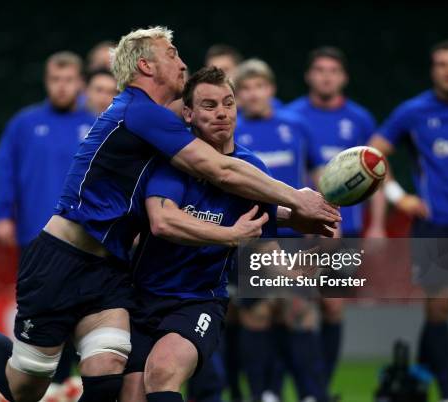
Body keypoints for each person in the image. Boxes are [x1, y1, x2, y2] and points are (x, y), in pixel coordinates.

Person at [0, 27, 339, 402]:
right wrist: (298, 197)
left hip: (112, 271)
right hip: (61, 260)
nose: (183, 61)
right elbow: (218, 170)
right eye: (172, 53)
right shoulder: (137, 111)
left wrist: (283, 215)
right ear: (145, 65)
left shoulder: (160, 121)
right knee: (25, 388)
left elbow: (212, 195)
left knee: (106, 379)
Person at [120, 66, 335, 402]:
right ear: (188, 114)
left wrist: (293, 274)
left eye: (228, 103)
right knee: (131, 394)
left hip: (199, 300)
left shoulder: (253, 171)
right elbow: (164, 222)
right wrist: (231, 234)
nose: (221, 113)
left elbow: (263, 243)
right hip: (142, 296)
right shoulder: (172, 161)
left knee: (162, 372)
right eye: (209, 105)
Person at [369, 40, 448, 402]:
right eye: (441, 64)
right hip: (435, 223)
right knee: (439, 307)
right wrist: (397, 196)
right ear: (433, 70)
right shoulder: (413, 111)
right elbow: (372, 154)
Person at [0, 51, 109, 384]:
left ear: (80, 83)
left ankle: (68, 385)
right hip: (36, 236)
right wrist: (1, 214)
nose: (62, 86)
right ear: (47, 82)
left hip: (86, 239)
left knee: (80, 313)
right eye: (55, 79)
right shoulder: (24, 123)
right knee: (41, 315)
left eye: (68, 79)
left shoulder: (97, 123)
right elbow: (4, 171)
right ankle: (39, 383)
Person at [287, 46, 385, 398]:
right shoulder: (292, 116)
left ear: (343, 77)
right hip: (305, 226)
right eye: (320, 70)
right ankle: (309, 390)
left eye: (333, 70)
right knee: (300, 305)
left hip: (350, 226)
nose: (326, 76)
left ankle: (322, 387)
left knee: (332, 304)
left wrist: (377, 225)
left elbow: (376, 174)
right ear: (309, 75)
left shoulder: (359, 118)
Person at [233, 58, 315, 402]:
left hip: (296, 234)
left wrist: (324, 219)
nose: (253, 94)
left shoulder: (296, 125)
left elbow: (318, 175)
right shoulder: (233, 131)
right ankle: (262, 392)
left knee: (299, 313)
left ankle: (311, 393)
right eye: (246, 88)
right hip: (254, 234)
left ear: (272, 89)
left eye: (259, 86)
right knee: (257, 314)